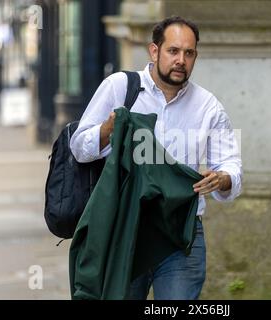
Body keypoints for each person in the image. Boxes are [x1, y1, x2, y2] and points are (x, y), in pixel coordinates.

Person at [70, 16, 242, 300]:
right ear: (154, 51)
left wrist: (222, 178)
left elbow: (231, 167)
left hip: (181, 235)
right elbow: (78, 146)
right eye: (173, 51)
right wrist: (106, 130)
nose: (181, 60)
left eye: (189, 53)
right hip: (125, 227)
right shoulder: (119, 87)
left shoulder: (208, 106)